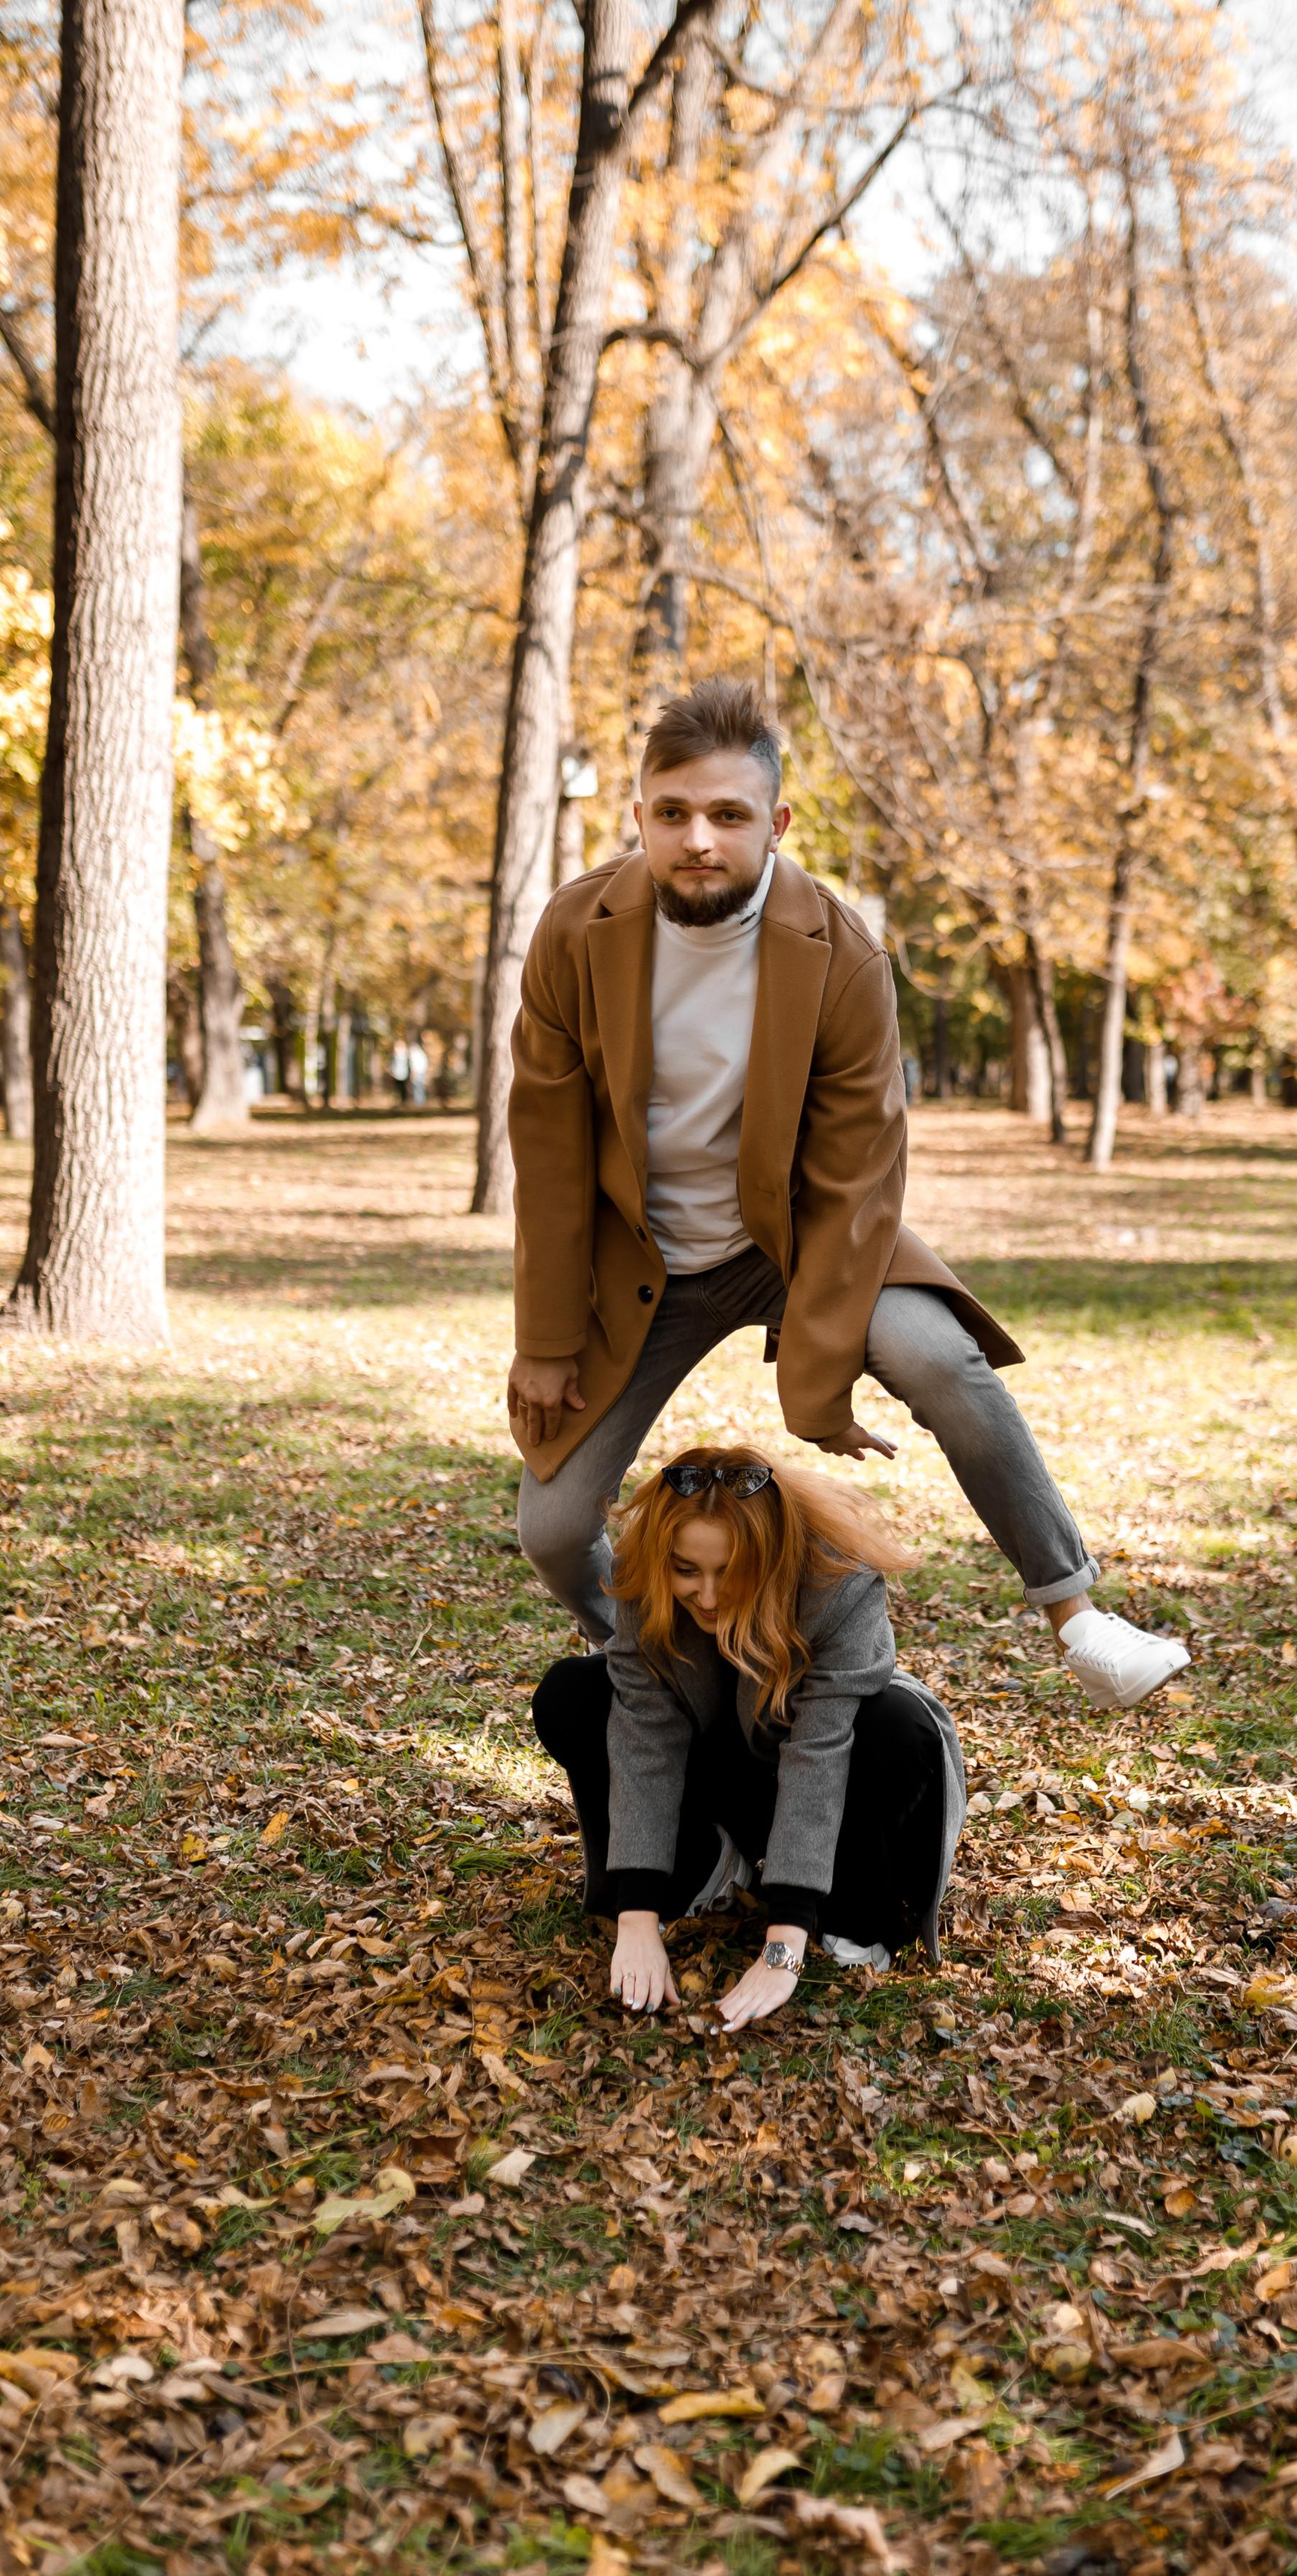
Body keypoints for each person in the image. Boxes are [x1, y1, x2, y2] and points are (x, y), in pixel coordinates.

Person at [507, 675, 1190, 1711]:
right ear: (638, 815)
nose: (700, 839)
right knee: (551, 1530)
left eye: (729, 815)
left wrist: (820, 1381)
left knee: (942, 1359)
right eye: (675, 813)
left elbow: (858, 1182)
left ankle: (1080, 1617)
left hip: (796, 1245)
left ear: (775, 825)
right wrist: (547, 1340)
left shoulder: (841, 952)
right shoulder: (575, 932)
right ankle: (663, 1677)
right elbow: (549, 1148)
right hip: (637, 1269)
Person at [531, 1445, 965, 2031]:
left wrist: (783, 1944)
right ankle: (704, 1865)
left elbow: (820, 1752)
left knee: (896, 1726)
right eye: (687, 1571)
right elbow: (644, 1733)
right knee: (573, 1692)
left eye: (730, 1573)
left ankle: (853, 1906)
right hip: (721, 1752)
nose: (707, 1598)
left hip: (832, 1763)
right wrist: (636, 1912)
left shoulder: (840, 1581)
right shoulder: (643, 1573)